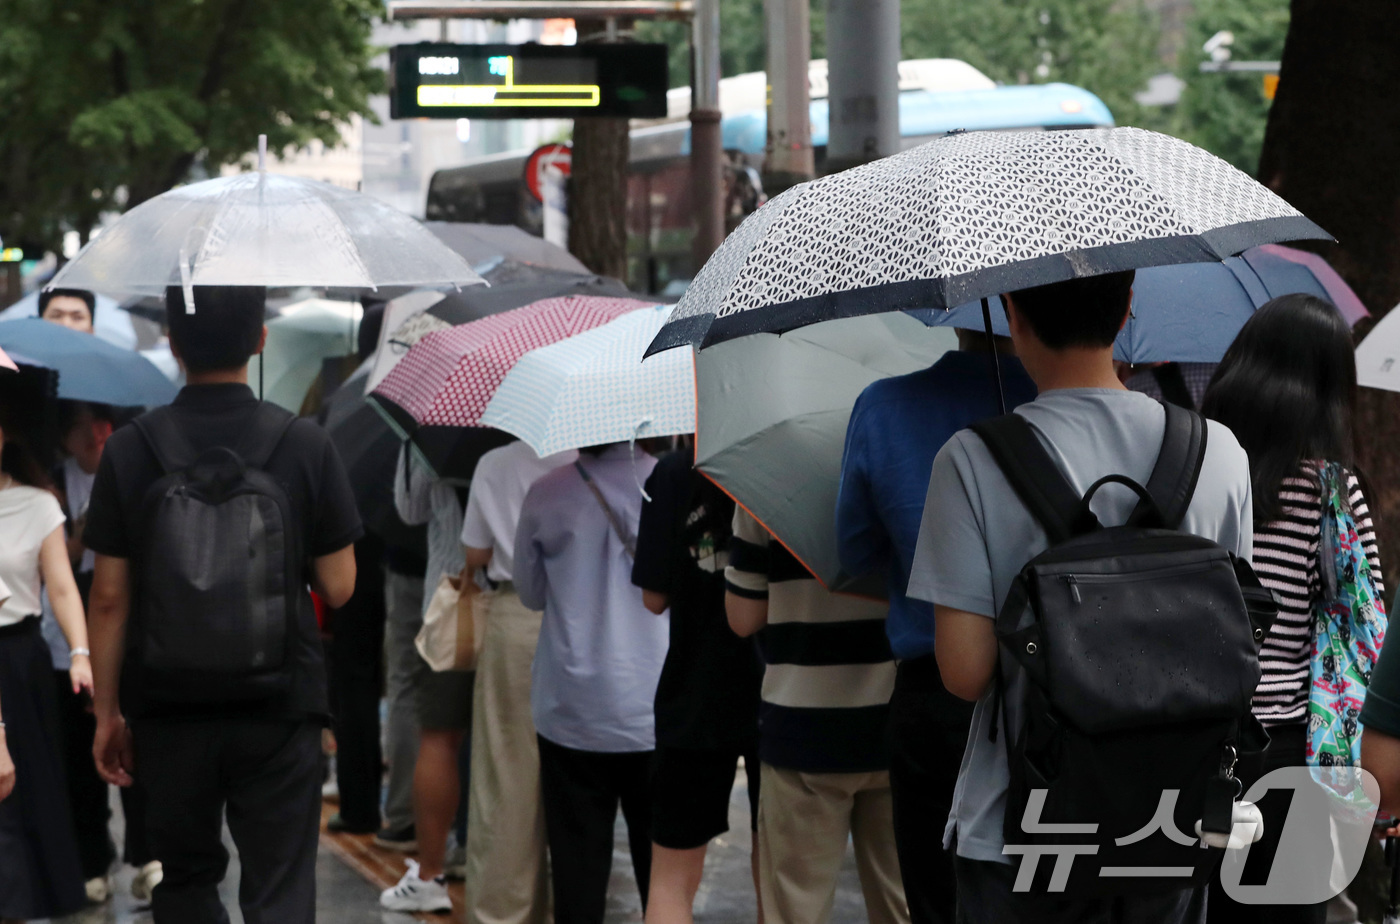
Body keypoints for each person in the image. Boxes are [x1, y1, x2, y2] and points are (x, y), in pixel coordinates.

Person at [910, 271, 1253, 923]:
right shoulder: (1220, 453)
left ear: (1011, 313)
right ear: (1128, 307)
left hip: (1020, 829)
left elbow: (964, 672)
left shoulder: (971, 460)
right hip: (1169, 821)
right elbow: (1235, 645)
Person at [86, 284, 362, 924]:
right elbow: (341, 586)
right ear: (261, 339)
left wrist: (107, 714)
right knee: (280, 883)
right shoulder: (304, 443)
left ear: (174, 346)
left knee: (183, 877)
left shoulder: (131, 447)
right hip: (280, 705)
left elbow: (106, 597)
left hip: (167, 707)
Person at [836, 330, 1036, 924]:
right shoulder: (1068, 408)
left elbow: (853, 552)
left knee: (935, 898)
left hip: (933, 691)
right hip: (1058, 694)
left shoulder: (884, 407)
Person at [1201, 294, 1383, 924]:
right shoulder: (1331, 489)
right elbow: (1367, 615)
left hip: (1196, 733)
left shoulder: (1192, 467)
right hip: (1293, 747)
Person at [726, 510, 909, 924]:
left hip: (802, 728)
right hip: (900, 727)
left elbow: (743, 617)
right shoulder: (921, 459)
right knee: (905, 907)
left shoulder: (767, 469)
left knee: (794, 912)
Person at [515, 442, 666, 924]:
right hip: (654, 703)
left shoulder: (545, 491)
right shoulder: (670, 486)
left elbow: (530, 593)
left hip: (571, 709)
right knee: (662, 870)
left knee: (577, 866)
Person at [632, 444, 764, 924]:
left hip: (695, 689)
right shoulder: (787, 462)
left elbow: (653, 598)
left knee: (671, 877)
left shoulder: (672, 473)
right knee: (779, 879)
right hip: (778, 690)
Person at [460, 439, 576, 924]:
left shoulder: (492, 464)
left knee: (506, 774)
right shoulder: (585, 461)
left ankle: (503, 912)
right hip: (579, 614)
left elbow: (476, 552)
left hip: (513, 614)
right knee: (574, 775)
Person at [0, 406, 92, 921]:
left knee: (24, 788)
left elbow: (61, 585)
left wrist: (79, 653)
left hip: (19, 656)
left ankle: (24, 899)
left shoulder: (36, 504)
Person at [380, 452, 476, 912]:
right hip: (524, 600)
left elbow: (410, 509)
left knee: (439, 738)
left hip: (452, 598)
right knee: (514, 749)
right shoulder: (542, 410)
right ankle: (505, 871)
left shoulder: (438, 420)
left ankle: (431, 873)